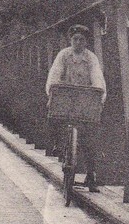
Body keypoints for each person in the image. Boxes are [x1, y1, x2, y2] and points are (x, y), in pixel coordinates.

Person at [45, 24, 107, 192]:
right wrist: (52, 91)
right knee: (55, 116)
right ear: (70, 40)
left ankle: (91, 174)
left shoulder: (91, 58)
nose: (78, 42)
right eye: (75, 39)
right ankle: (57, 144)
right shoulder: (63, 55)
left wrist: (99, 95)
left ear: (86, 42)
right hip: (66, 96)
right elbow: (55, 74)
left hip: (84, 98)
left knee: (89, 136)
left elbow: (97, 77)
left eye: (82, 40)